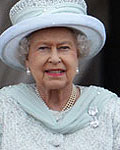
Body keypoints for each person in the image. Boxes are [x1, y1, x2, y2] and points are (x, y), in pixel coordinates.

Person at [0, 0, 120, 149]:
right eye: (43, 48)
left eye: (64, 48)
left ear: (78, 55)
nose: (55, 59)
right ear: (27, 59)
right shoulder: (5, 106)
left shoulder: (109, 108)